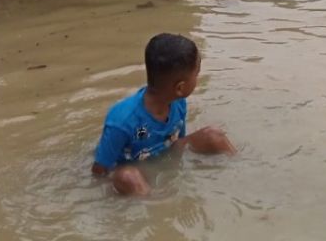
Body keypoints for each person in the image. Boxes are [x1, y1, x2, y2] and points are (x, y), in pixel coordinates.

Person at [92, 33, 236, 196]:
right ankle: (158, 204)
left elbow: (178, 140)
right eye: (196, 75)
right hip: (134, 166)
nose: (197, 79)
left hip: (166, 151)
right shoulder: (122, 120)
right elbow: (99, 171)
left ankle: (240, 169)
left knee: (214, 135)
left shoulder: (178, 101)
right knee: (127, 177)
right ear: (180, 87)